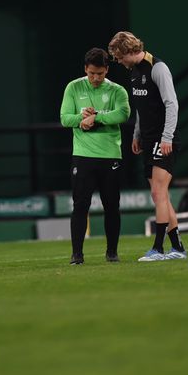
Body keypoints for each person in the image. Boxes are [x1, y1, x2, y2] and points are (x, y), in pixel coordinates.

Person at [107, 31, 186, 262]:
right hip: (149, 139)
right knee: (160, 195)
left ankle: (158, 249)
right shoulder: (134, 71)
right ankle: (178, 248)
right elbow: (141, 107)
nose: (119, 62)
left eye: (120, 57)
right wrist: (137, 134)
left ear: (129, 51)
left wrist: (167, 137)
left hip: (163, 139)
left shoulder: (157, 68)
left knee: (158, 192)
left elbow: (172, 104)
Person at [59, 47, 130, 265]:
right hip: (83, 155)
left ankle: (112, 252)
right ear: (85, 70)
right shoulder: (73, 87)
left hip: (110, 154)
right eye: (91, 73)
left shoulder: (118, 91)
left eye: (99, 73)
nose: (95, 78)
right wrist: (82, 119)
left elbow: (123, 114)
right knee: (80, 205)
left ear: (107, 69)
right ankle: (77, 255)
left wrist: (96, 117)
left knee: (112, 205)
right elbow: (64, 118)